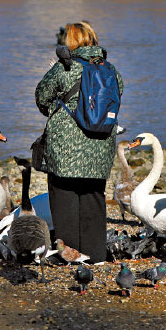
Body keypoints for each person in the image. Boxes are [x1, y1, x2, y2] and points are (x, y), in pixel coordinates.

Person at [33, 21, 123, 263]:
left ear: (70, 42)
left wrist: (56, 104)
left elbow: (41, 98)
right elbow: (116, 97)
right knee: (93, 197)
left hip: (66, 147)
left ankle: (69, 255)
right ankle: (96, 255)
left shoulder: (64, 68)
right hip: (101, 145)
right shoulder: (111, 70)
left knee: (65, 197)